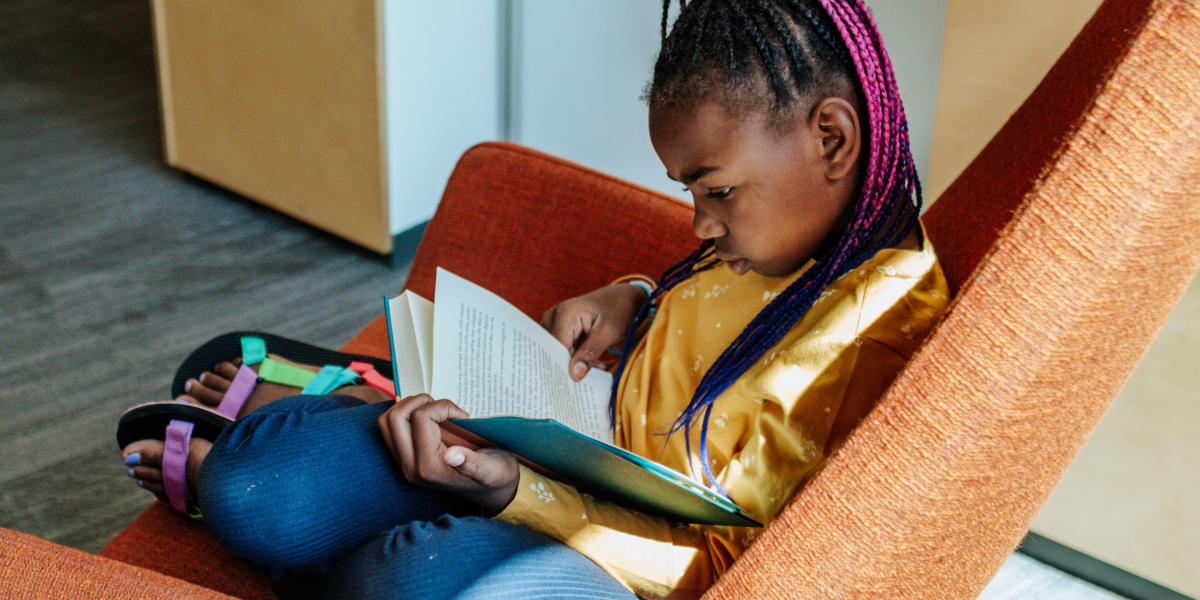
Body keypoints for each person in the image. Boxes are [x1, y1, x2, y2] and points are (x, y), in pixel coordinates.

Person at [120, 1, 949, 598]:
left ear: (831, 138)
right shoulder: (798, 228)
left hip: (611, 559)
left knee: (402, 577)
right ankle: (343, 425)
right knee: (254, 489)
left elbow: (732, 567)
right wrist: (635, 297)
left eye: (717, 191)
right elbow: (709, 310)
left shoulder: (877, 336)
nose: (699, 224)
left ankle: (347, 411)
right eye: (689, 192)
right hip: (567, 440)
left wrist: (511, 490)